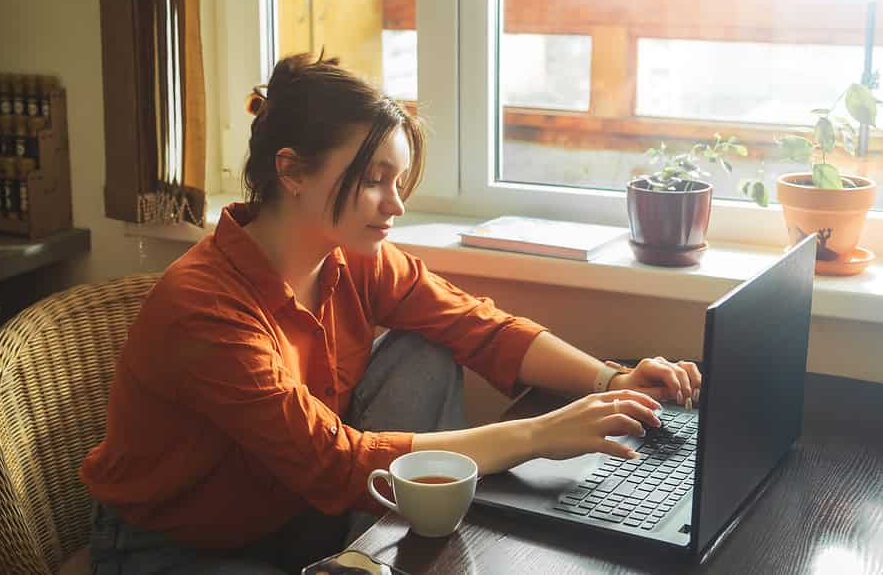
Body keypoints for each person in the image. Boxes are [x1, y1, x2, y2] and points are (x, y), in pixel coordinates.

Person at [81, 52, 702, 574]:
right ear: (292, 172)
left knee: (427, 348)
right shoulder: (207, 308)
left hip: (292, 507)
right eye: (377, 180)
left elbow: (476, 325)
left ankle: (371, 554)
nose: (395, 205)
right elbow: (334, 460)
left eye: (398, 181)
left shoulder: (353, 257)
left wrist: (609, 379)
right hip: (174, 545)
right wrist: (540, 435)